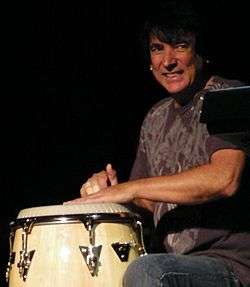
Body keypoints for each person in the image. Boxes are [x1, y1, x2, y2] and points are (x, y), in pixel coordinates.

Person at [65, 2, 250, 286]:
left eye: (180, 46)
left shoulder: (226, 96)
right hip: (174, 263)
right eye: (157, 49)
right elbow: (150, 204)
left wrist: (132, 188)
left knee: (147, 271)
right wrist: (112, 192)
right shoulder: (156, 117)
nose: (168, 60)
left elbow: (225, 179)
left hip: (230, 266)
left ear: (200, 53)